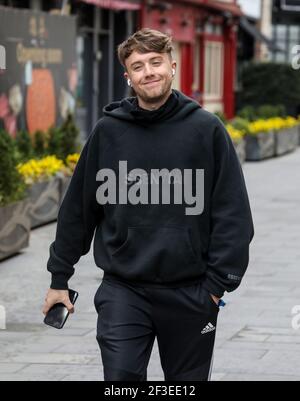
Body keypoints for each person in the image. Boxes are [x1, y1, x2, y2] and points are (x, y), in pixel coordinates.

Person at [42, 28, 254, 381]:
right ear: (128, 77)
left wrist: (217, 287)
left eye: (156, 62)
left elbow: (232, 212)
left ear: (172, 66)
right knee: (121, 379)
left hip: (192, 291)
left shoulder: (206, 129)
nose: (149, 72)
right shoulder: (108, 132)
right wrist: (58, 278)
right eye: (138, 66)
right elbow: (78, 211)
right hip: (123, 289)